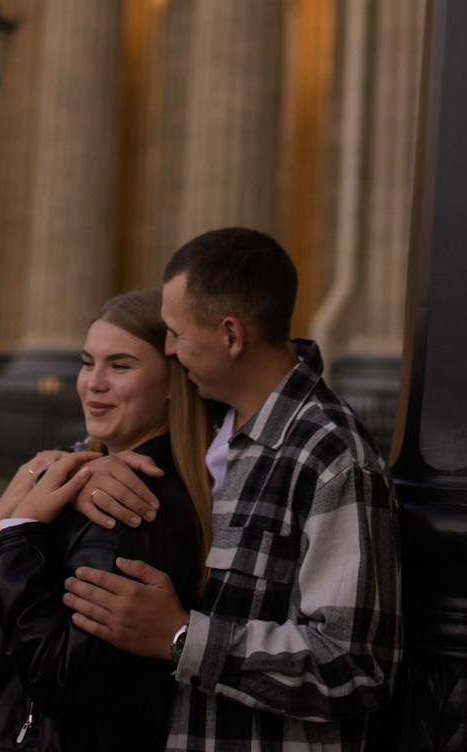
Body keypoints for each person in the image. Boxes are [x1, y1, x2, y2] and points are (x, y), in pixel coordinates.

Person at [61, 228, 402, 751]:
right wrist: (82, 471)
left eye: (177, 333)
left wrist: (178, 637)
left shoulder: (332, 458)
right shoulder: (212, 423)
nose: (170, 350)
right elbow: (120, 431)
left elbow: (354, 666)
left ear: (231, 336)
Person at [0, 289, 213, 751]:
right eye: (88, 362)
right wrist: (4, 528)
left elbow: (59, 679)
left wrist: (18, 536)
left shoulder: (129, 507)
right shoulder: (72, 478)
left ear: (172, 384)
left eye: (120, 366)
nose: (93, 383)